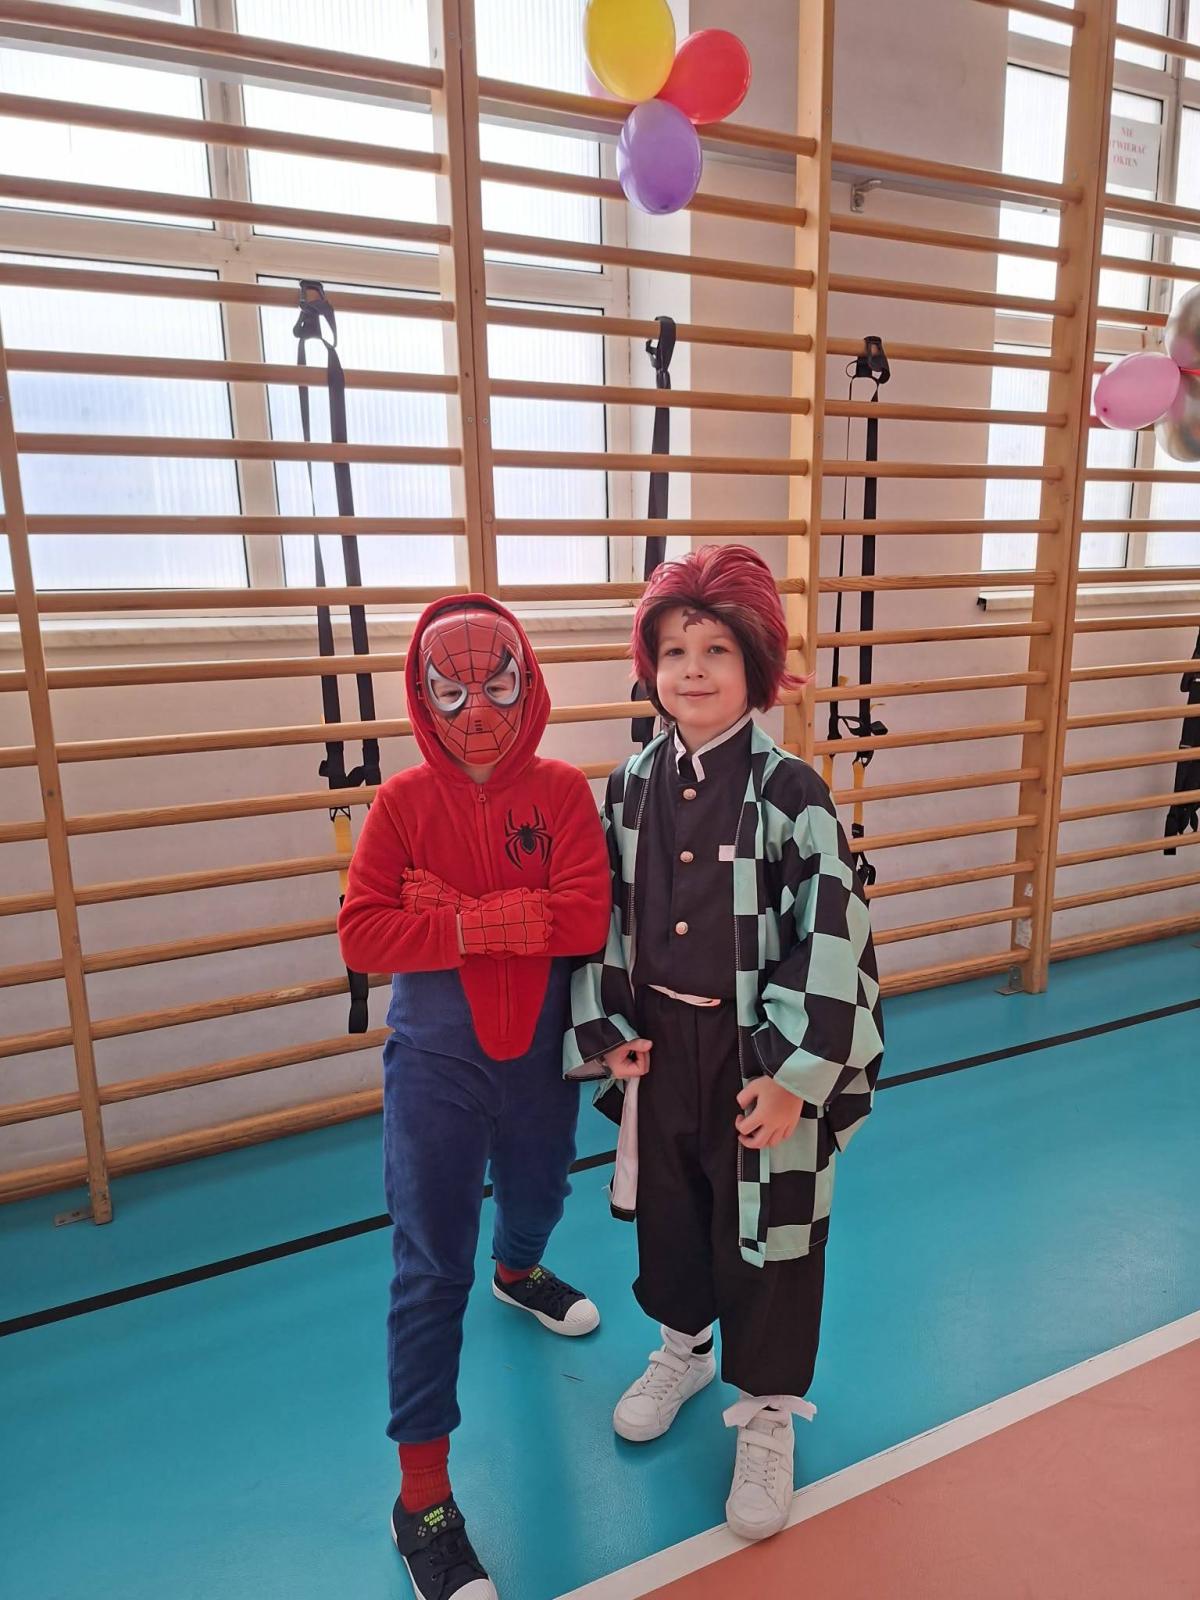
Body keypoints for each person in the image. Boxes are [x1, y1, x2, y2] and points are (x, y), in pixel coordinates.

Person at [564, 545, 885, 1543]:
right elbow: (605, 920)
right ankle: (685, 1349)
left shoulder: (793, 795)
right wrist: (612, 1029)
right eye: (673, 650)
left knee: (771, 1225)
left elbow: (832, 939)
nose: (692, 670)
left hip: (758, 1051)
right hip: (662, 1047)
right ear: (649, 666)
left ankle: (770, 1408)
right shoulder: (627, 786)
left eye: (715, 650)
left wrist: (793, 1078)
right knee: (674, 1209)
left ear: (756, 664)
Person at [339, 595, 611, 1600]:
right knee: (428, 1267)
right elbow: (363, 934)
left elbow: (586, 918)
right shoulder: (401, 803)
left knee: (542, 1190)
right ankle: (423, 1500)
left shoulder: (564, 792)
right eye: (453, 693)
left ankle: (521, 1269)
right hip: (435, 1066)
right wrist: (485, 926)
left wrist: (453, 914)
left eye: (497, 686)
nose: (479, 712)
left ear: (527, 681)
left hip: (539, 1056)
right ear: (423, 696)